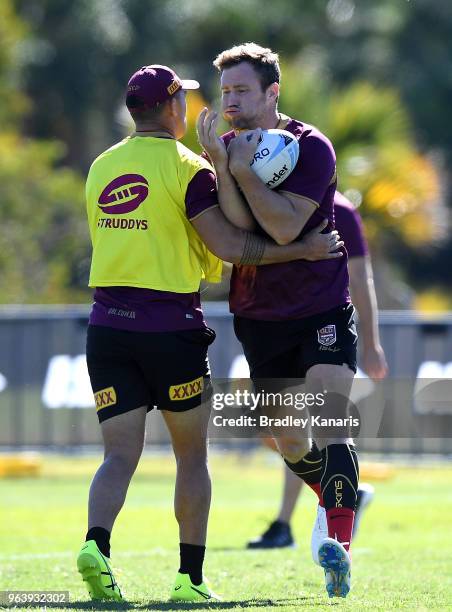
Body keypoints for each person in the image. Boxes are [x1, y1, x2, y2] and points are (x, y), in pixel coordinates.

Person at [78, 64, 343, 603]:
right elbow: (231, 247)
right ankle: (189, 581)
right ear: (173, 107)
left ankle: (96, 545)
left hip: (106, 327)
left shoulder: (100, 167)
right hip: (170, 328)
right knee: (191, 459)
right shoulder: (189, 167)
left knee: (118, 457)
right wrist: (301, 250)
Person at [198, 43, 360, 598]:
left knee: (333, 420)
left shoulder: (311, 147)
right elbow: (244, 235)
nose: (231, 102)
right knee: (290, 440)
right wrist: (227, 166)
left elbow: (288, 228)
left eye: (242, 91)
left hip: (321, 308)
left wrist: (242, 171)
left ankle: (339, 543)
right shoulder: (226, 149)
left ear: (272, 92)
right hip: (260, 317)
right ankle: (333, 496)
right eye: (225, 93)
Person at [246, 191, 388, 555]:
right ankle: (344, 494)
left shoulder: (341, 210)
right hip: (268, 332)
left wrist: (371, 342)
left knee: (326, 429)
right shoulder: (256, 201)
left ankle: (302, 526)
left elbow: (360, 277)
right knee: (287, 438)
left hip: (325, 328)